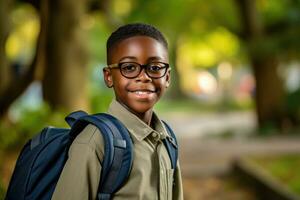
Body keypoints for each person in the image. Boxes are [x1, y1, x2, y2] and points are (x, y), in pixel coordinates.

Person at [51, 23, 183, 200]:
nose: (144, 76)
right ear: (108, 77)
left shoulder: (168, 140)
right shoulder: (95, 141)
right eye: (129, 67)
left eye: (155, 67)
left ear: (167, 77)